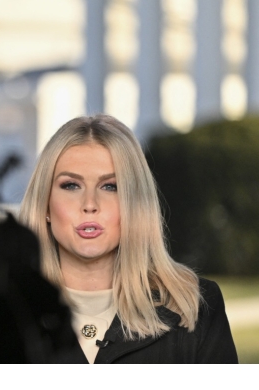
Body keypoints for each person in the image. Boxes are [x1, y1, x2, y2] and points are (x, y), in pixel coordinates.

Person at [18, 114, 238, 364]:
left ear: (135, 203)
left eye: (111, 186)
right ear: (45, 204)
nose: (90, 204)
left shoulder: (196, 305)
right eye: (71, 186)